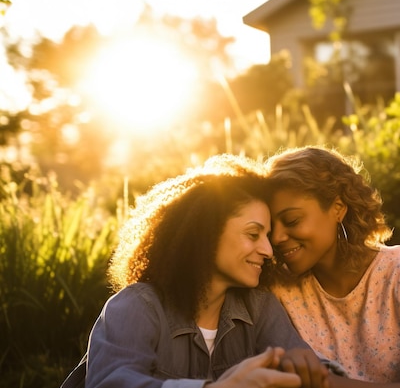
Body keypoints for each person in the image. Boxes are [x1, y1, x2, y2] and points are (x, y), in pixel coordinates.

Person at [61, 154, 329, 388]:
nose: (268, 251)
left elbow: (312, 376)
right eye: (253, 233)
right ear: (206, 233)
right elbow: (110, 383)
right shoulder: (136, 306)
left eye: (267, 236)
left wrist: (304, 369)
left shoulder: (260, 309)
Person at [263, 146, 400, 388]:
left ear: (338, 208)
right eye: (270, 226)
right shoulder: (277, 290)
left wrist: (328, 385)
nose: (277, 237)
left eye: (292, 220)